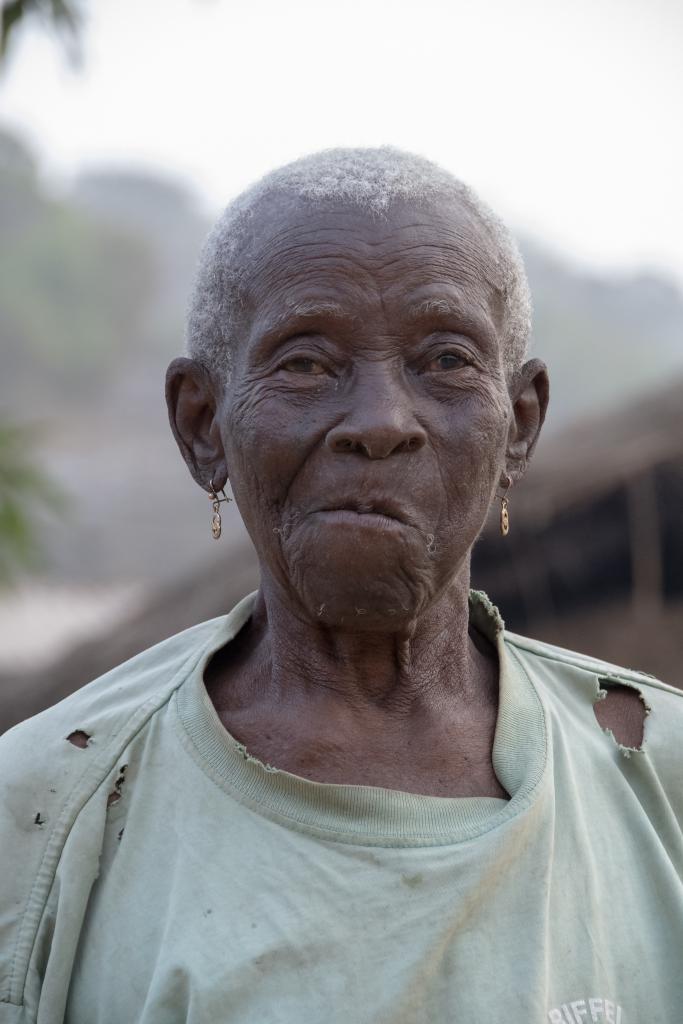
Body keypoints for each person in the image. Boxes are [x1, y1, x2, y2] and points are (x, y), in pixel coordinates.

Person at [1, 148, 681, 1024]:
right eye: (306, 363)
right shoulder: (40, 814)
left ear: (520, 425)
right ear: (202, 425)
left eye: (443, 360)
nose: (380, 423)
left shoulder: (659, 779)